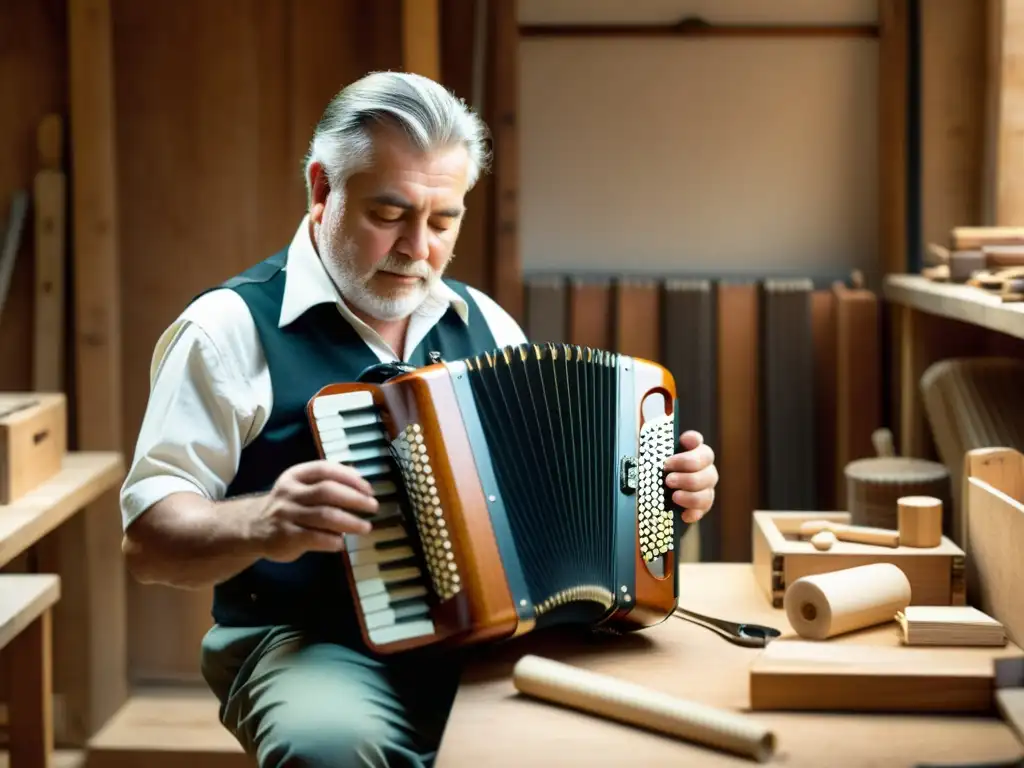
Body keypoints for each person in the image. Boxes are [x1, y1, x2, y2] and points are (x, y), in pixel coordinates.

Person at [119, 70, 720, 767]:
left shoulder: (484, 322)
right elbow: (149, 544)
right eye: (389, 214)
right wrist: (260, 521)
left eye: (443, 221)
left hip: (497, 630)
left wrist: (661, 497)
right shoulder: (226, 331)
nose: (418, 249)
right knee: (330, 750)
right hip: (310, 642)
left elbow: (550, 502)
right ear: (322, 189)